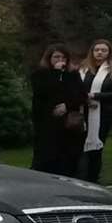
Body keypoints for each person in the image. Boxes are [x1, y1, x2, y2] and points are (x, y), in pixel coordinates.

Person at [28, 46, 87, 176]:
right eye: (56, 57)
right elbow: (41, 93)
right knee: (46, 159)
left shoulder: (72, 75)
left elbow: (82, 96)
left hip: (68, 125)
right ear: (49, 59)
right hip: (47, 124)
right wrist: (55, 74)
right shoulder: (39, 74)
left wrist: (67, 106)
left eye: (63, 58)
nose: (60, 60)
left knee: (68, 160)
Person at [78, 39, 112, 184]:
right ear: (92, 51)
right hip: (82, 112)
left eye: (104, 50)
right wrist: (85, 98)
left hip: (102, 113)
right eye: (97, 50)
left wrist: (95, 96)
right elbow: (77, 87)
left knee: (96, 148)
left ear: (109, 53)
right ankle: (80, 177)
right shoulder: (83, 69)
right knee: (79, 147)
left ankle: (93, 179)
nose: (100, 53)